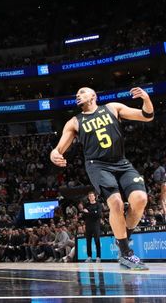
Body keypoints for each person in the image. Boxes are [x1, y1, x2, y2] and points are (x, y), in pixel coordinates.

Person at [50, 86, 154, 270]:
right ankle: (126, 253)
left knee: (140, 199)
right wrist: (54, 154)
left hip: (121, 162)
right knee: (116, 203)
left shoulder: (112, 108)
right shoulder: (74, 122)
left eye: (82, 92)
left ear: (93, 96)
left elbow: (147, 116)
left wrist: (146, 99)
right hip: (97, 165)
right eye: (76, 94)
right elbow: (58, 149)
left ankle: (122, 237)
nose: (78, 95)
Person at [80, 191, 103, 263]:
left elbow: (99, 215)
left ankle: (98, 257)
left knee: (97, 241)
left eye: (92, 196)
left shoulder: (98, 204)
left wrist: (89, 213)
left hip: (96, 225)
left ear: (95, 197)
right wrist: (93, 212)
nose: (91, 197)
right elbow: (84, 215)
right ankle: (89, 256)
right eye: (89, 196)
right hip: (88, 225)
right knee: (88, 241)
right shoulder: (86, 205)